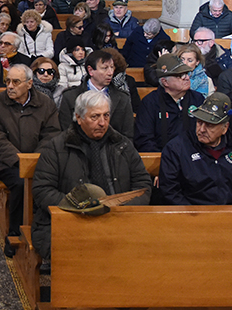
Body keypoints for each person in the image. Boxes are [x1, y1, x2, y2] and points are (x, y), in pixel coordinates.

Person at [31, 91, 152, 260]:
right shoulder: (57, 147)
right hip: (72, 219)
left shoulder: (122, 145)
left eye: (106, 115)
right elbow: (42, 190)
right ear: (79, 118)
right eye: (95, 117)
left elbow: (143, 185)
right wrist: (78, 208)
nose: (102, 123)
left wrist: (120, 208)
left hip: (117, 218)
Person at [0, 64, 61, 246]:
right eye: (8, 81)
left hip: (39, 161)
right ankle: (15, 234)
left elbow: (51, 134)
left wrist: (35, 160)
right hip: (8, 162)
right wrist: (20, 160)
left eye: (16, 82)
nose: (10, 86)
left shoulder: (45, 103)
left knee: (54, 184)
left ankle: (48, 233)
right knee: (20, 185)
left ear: (29, 84)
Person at [156, 92, 232, 205]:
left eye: (210, 125)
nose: (202, 130)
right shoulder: (176, 148)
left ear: (225, 128)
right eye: (199, 122)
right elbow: (170, 192)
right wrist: (194, 216)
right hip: (190, 215)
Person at [134, 53, 204, 152]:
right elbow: (144, 139)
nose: (186, 78)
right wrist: (164, 159)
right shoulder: (150, 102)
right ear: (165, 82)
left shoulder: (197, 99)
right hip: (161, 159)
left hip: (194, 159)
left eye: (186, 73)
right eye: (180, 75)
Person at [58, 49, 134, 138]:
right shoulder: (70, 97)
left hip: (113, 149)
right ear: (90, 71)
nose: (110, 73)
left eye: (112, 67)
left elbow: (128, 135)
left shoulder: (122, 98)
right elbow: (66, 134)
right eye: (105, 68)